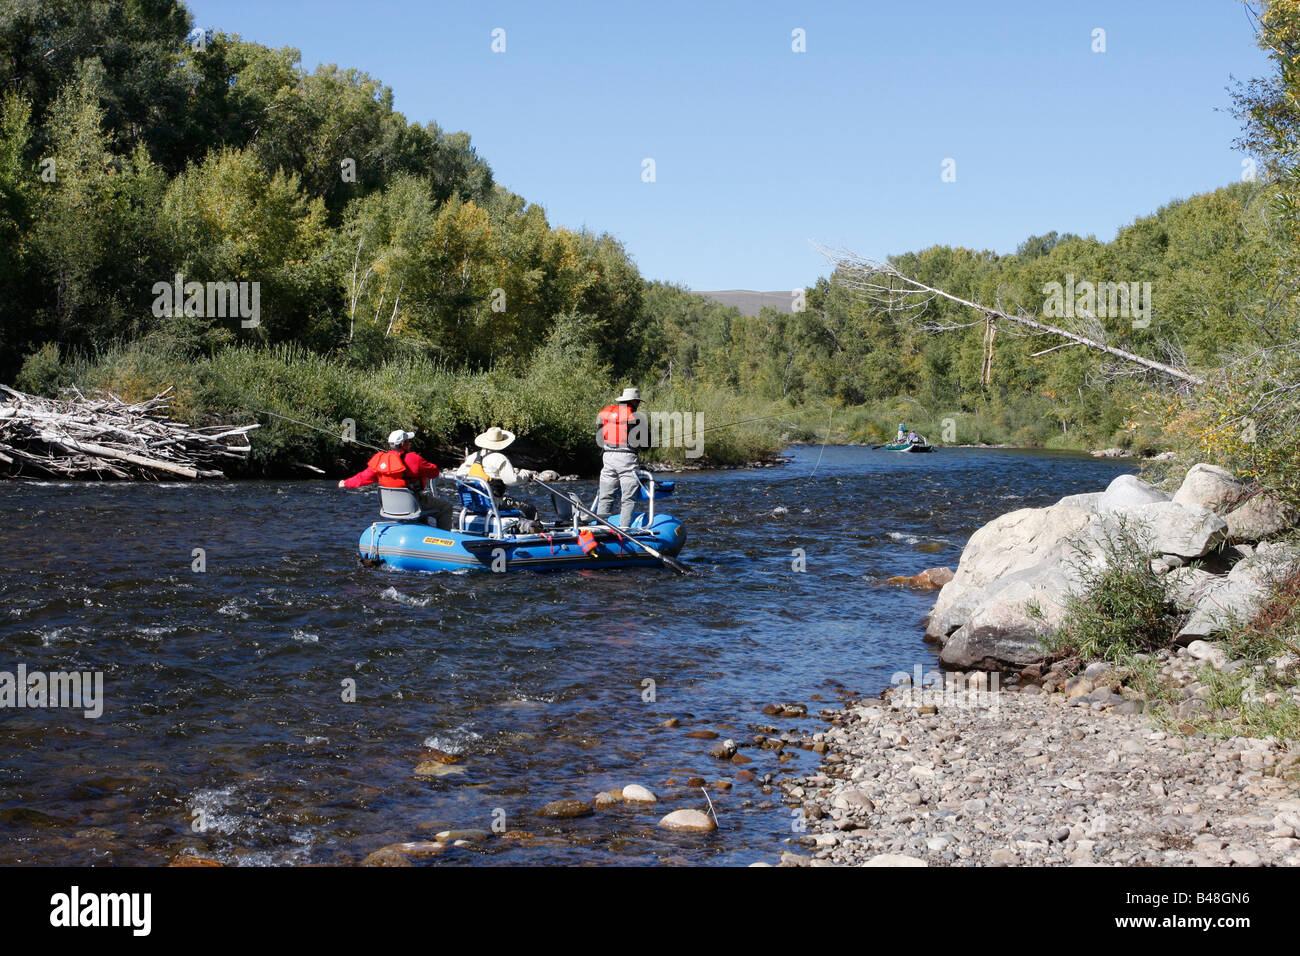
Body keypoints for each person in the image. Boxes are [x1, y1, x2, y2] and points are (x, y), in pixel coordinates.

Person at [338, 429, 454, 530]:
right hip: (413, 503)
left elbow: (363, 477)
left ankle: (421, 531)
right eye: (408, 441)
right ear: (403, 444)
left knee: (423, 507)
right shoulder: (414, 459)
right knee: (446, 508)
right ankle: (445, 541)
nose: (410, 443)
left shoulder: (380, 461)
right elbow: (434, 472)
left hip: (390, 508)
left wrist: (346, 482)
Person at [454, 426, 537, 520]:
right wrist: (526, 475)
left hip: (472, 504)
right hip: (493, 504)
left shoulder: (472, 456)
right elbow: (512, 480)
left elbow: (459, 476)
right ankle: (536, 529)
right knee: (529, 509)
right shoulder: (500, 458)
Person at [596, 386, 647, 526]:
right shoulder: (636, 417)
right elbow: (645, 444)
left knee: (605, 497)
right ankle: (624, 529)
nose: (638, 404)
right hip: (626, 459)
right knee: (628, 498)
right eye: (638, 401)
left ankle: (600, 527)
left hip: (607, 457)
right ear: (633, 401)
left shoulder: (607, 414)